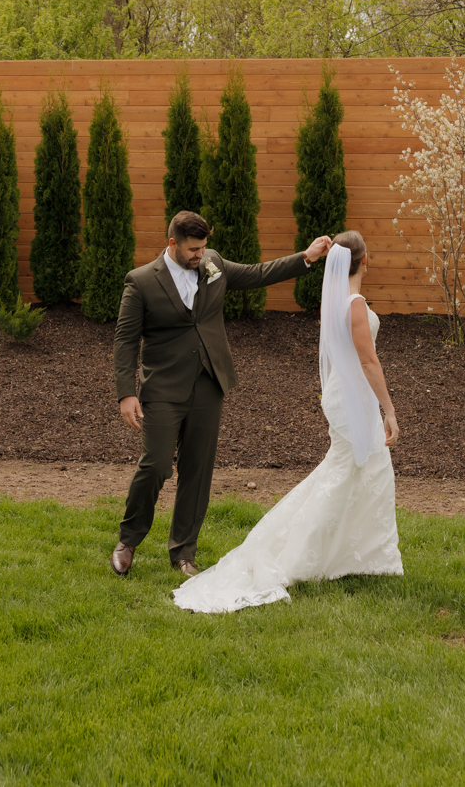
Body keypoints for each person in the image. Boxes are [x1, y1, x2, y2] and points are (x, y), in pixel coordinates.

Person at [172, 231, 402, 612]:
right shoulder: (355, 304)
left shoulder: (334, 303)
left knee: (357, 472)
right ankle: (311, 554)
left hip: (343, 397)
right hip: (354, 400)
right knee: (357, 470)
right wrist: (389, 409)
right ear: (366, 259)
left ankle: (359, 554)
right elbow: (367, 361)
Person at [111, 210, 333, 578]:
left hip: (208, 383)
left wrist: (306, 257)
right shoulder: (141, 282)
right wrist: (125, 393)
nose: (200, 254)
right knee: (156, 465)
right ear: (173, 244)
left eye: (203, 247)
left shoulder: (212, 263)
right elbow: (124, 341)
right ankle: (128, 540)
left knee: (197, 471)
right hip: (163, 388)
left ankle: (183, 552)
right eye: (193, 249)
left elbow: (257, 274)